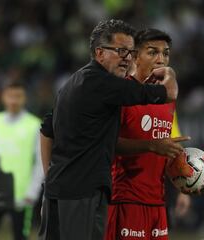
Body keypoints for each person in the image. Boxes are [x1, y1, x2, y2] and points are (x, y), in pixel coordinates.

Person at [39, 19, 179, 240]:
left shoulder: (74, 82)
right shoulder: (105, 84)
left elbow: (46, 130)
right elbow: (169, 93)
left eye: (130, 52)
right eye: (121, 51)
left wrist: (50, 178)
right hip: (82, 192)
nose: (127, 58)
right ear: (99, 52)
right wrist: (168, 73)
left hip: (64, 188)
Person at [104, 28, 191, 240]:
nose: (161, 59)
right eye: (152, 52)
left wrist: (187, 177)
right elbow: (107, 143)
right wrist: (151, 145)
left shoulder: (167, 99)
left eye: (166, 53)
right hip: (125, 201)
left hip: (158, 203)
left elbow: (165, 148)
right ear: (134, 56)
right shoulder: (121, 92)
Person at [0, 81, 44, 240]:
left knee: (21, 236)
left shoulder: (33, 125)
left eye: (18, 96)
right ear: (3, 97)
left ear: (24, 98)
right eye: (10, 96)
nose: (13, 100)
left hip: (21, 194)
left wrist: (32, 192)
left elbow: (40, 161)